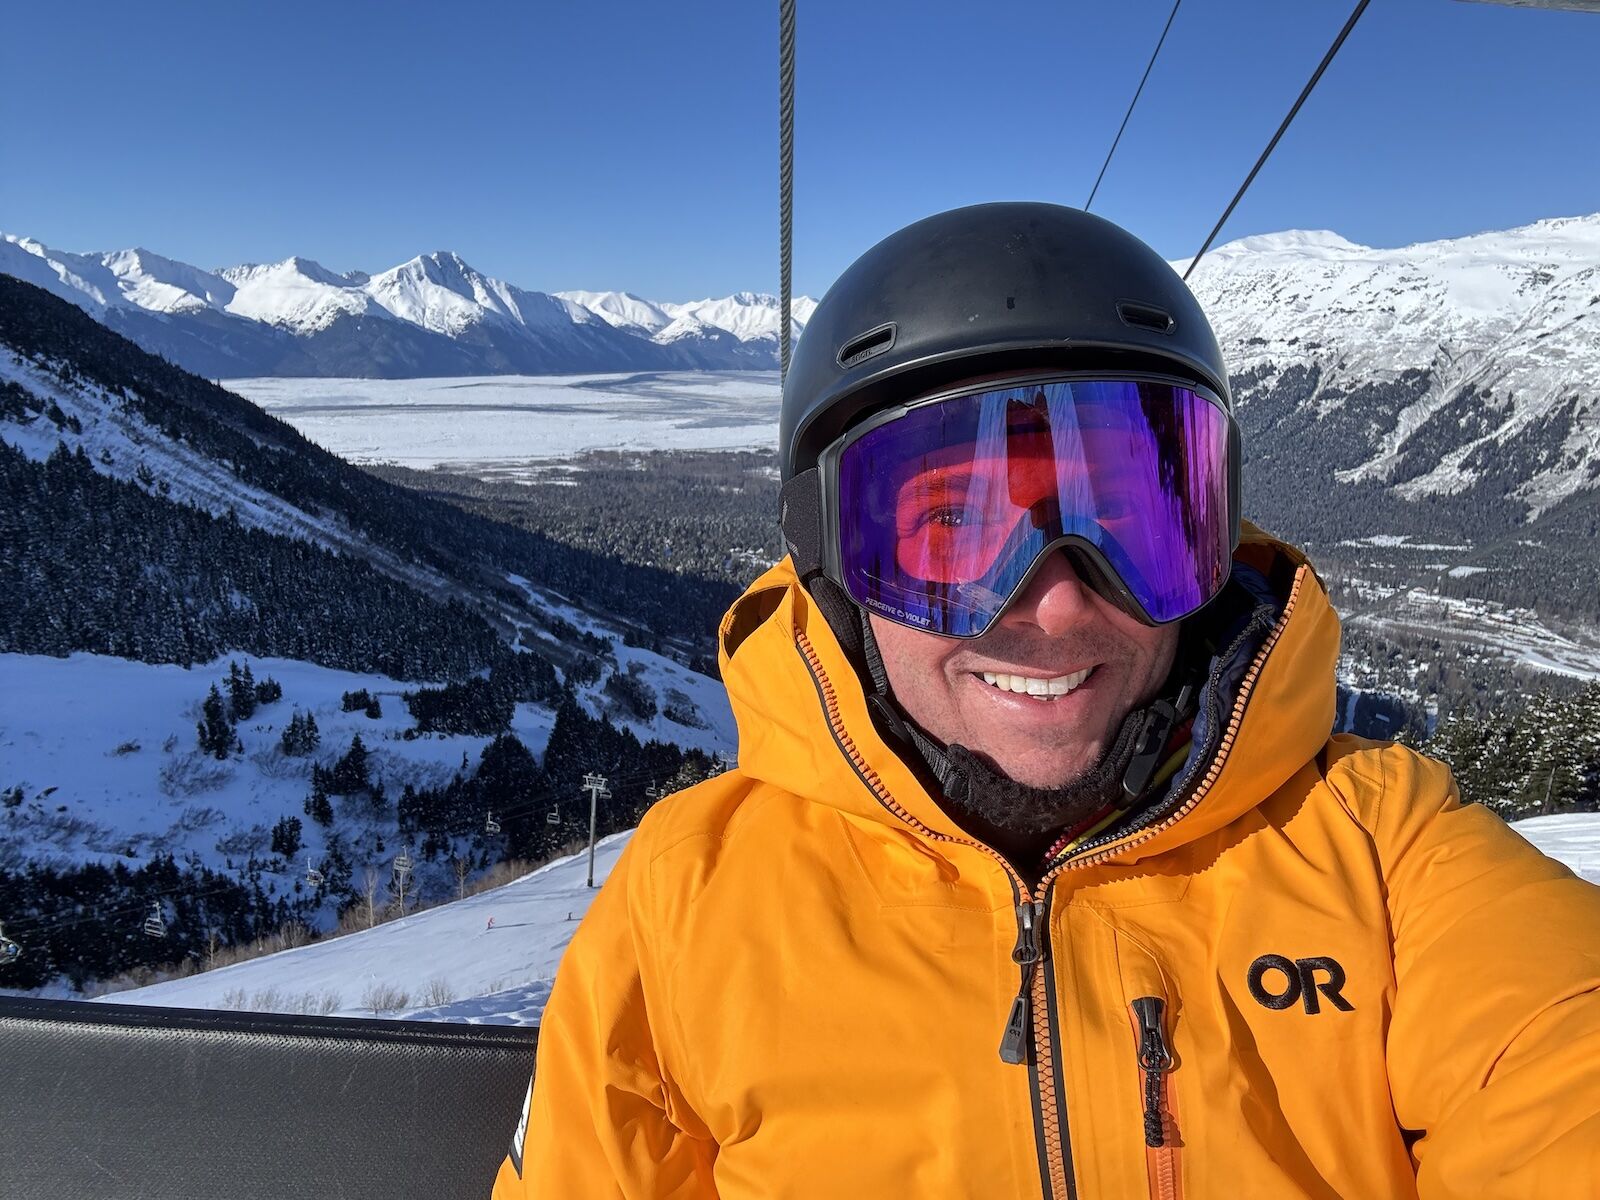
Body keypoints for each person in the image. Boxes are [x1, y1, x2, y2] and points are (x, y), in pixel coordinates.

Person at [492, 203, 1600, 1199]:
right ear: (830, 561)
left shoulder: (1383, 847)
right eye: (947, 532)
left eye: (1132, 525)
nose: (1058, 604)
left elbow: (1564, 1069)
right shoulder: (689, 894)